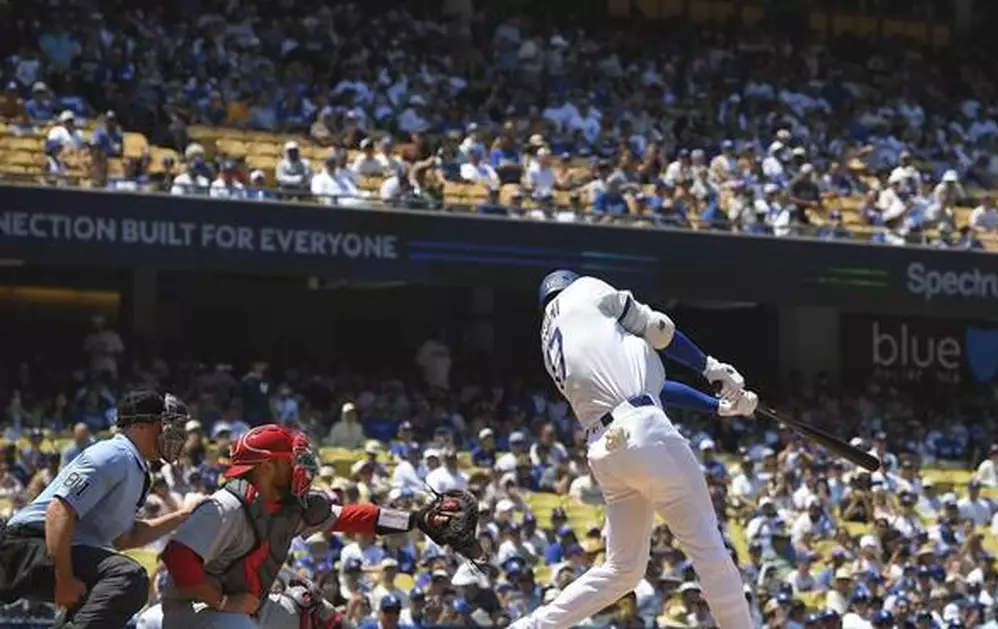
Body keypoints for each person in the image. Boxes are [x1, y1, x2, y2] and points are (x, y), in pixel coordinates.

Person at [511, 270, 759, 629]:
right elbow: (658, 329)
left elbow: (653, 388)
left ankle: (531, 626)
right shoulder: (585, 289)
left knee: (622, 569)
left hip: (606, 450)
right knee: (711, 552)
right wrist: (711, 367)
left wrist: (718, 406)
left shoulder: (554, 338)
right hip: (643, 431)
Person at [153, 424, 462, 629]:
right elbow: (178, 560)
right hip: (191, 613)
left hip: (243, 609)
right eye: (290, 460)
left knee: (308, 608)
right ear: (266, 467)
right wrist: (224, 602)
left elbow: (351, 517)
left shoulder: (289, 504)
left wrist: (415, 520)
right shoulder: (225, 507)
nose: (299, 466)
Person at [0, 389, 194, 629]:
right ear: (140, 425)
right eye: (163, 424)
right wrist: (64, 579)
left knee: (116, 582)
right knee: (127, 577)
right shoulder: (113, 455)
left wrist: (183, 516)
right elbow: (59, 511)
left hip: (55, 549)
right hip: (28, 545)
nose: (172, 434)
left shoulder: (135, 466)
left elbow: (126, 538)